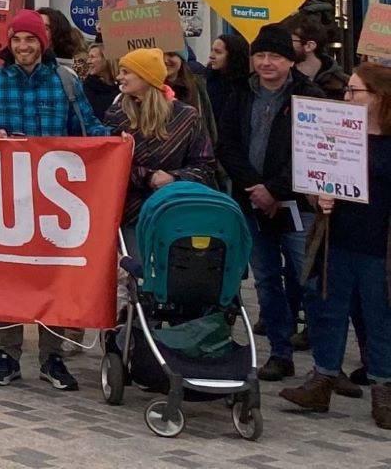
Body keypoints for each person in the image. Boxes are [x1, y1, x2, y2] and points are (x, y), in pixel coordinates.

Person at [0, 8, 109, 390]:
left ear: (42, 43)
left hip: (56, 199)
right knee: (8, 274)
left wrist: (116, 141)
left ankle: (52, 356)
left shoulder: (65, 81)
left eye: (30, 39)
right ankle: (8, 355)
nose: (23, 46)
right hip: (6, 196)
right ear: (9, 44)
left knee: (53, 277)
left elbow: (87, 128)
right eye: (17, 40)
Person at [280, 63, 391, 425]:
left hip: (379, 245)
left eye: (355, 91)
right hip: (337, 239)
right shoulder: (341, 134)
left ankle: (383, 387)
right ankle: (323, 377)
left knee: (379, 315)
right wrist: (319, 197)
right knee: (327, 307)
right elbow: (320, 176)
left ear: (379, 97)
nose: (347, 97)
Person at [218, 22, 321, 380]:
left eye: (274, 56)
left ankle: (325, 363)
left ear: (290, 60)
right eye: (260, 55)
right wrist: (254, 188)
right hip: (252, 202)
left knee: (307, 279)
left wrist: (275, 190)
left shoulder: (310, 96)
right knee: (265, 280)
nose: (266, 63)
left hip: (297, 205)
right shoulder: (241, 93)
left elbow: (315, 150)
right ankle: (280, 352)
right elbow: (227, 144)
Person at [105, 48, 217, 227]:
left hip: (174, 214)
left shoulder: (187, 116)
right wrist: (147, 176)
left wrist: (174, 178)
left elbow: (204, 167)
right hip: (128, 217)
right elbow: (108, 165)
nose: (119, 77)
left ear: (145, 77)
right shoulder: (116, 115)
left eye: (126, 72)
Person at [287, 13, 350, 100]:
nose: (285, 45)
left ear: (309, 46)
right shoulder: (282, 79)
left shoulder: (342, 84)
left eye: (290, 40)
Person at [204, 30, 251, 131]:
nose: (211, 56)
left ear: (232, 55)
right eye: (212, 50)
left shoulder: (246, 86)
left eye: (218, 52)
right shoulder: (207, 80)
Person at [83, 42, 120, 114]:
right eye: (88, 57)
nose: (88, 61)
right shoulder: (88, 87)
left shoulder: (122, 86)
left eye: (92, 57)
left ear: (106, 59)